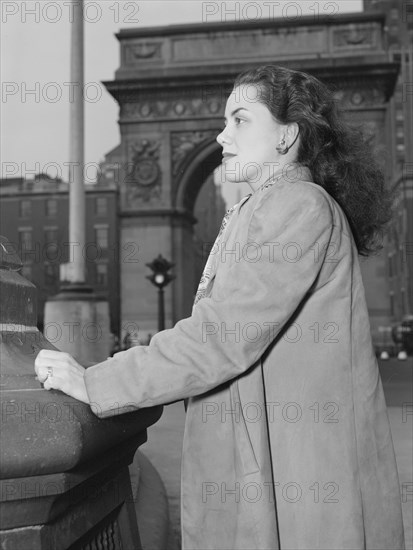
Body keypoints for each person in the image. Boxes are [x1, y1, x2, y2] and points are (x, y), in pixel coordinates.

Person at [35, 65, 405, 550]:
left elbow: (219, 336)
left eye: (240, 119)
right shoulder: (267, 208)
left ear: (287, 136)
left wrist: (96, 381)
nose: (221, 134)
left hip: (293, 484)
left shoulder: (297, 206)